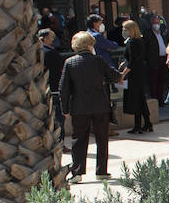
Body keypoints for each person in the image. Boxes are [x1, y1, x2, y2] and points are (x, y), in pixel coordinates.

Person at [60, 31, 125, 181]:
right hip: (100, 105)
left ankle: (77, 172)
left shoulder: (69, 62)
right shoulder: (98, 60)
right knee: (102, 139)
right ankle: (101, 171)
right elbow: (114, 76)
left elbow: (64, 88)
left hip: (79, 106)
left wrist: (65, 109)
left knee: (79, 139)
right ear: (90, 46)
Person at [120, 19, 152, 134]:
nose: (123, 31)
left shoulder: (133, 42)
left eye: (125, 29)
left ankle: (138, 125)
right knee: (141, 100)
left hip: (134, 74)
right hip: (139, 73)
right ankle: (147, 123)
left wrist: (123, 74)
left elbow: (133, 61)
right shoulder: (138, 41)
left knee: (136, 100)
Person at [40, 29, 66, 138]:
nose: (53, 40)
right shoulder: (49, 53)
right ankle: (59, 140)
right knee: (58, 117)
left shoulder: (42, 51)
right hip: (54, 89)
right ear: (45, 39)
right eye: (51, 37)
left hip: (45, 89)